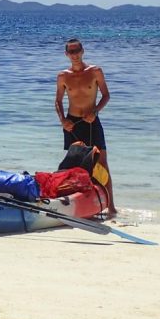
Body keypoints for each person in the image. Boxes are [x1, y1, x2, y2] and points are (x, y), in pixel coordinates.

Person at [55, 37, 117, 218]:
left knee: (101, 163)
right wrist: (62, 120)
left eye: (77, 51)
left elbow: (106, 95)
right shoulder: (63, 76)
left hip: (92, 122)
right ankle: (76, 204)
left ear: (82, 51)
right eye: (71, 52)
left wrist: (96, 111)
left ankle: (111, 206)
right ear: (66, 54)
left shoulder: (95, 71)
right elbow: (58, 101)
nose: (74, 55)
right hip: (72, 123)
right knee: (74, 166)